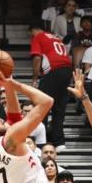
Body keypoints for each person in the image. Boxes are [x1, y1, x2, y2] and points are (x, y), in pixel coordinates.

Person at [29, 22, 73, 152]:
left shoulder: (38, 37)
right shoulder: (56, 38)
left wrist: (35, 79)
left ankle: (41, 143)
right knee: (59, 108)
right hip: (67, 71)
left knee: (42, 106)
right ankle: (59, 143)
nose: (31, 38)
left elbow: (37, 58)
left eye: (30, 35)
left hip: (53, 71)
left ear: (34, 30)